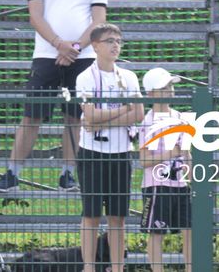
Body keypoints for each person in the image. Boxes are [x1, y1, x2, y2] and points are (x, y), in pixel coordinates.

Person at [0, 0, 108, 192]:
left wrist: (75, 48)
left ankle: (68, 174)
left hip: (83, 56)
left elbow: (99, 21)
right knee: (32, 116)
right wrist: (60, 44)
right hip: (47, 54)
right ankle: (12, 173)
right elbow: (35, 16)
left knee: (75, 117)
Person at [75, 23, 143, 272]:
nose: (116, 45)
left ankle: (117, 268)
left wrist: (117, 113)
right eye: (109, 41)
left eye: (118, 40)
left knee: (118, 217)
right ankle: (89, 267)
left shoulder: (128, 77)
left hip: (121, 152)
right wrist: (124, 109)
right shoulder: (85, 77)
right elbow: (89, 116)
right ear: (95, 46)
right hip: (92, 153)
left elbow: (138, 112)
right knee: (91, 215)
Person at [138, 67, 193, 272]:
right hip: (157, 185)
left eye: (171, 86)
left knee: (190, 230)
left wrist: (189, 169)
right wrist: (172, 153)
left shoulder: (180, 117)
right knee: (156, 232)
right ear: (151, 93)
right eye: (165, 87)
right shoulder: (148, 122)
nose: (170, 90)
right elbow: (144, 160)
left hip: (180, 183)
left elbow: (186, 152)